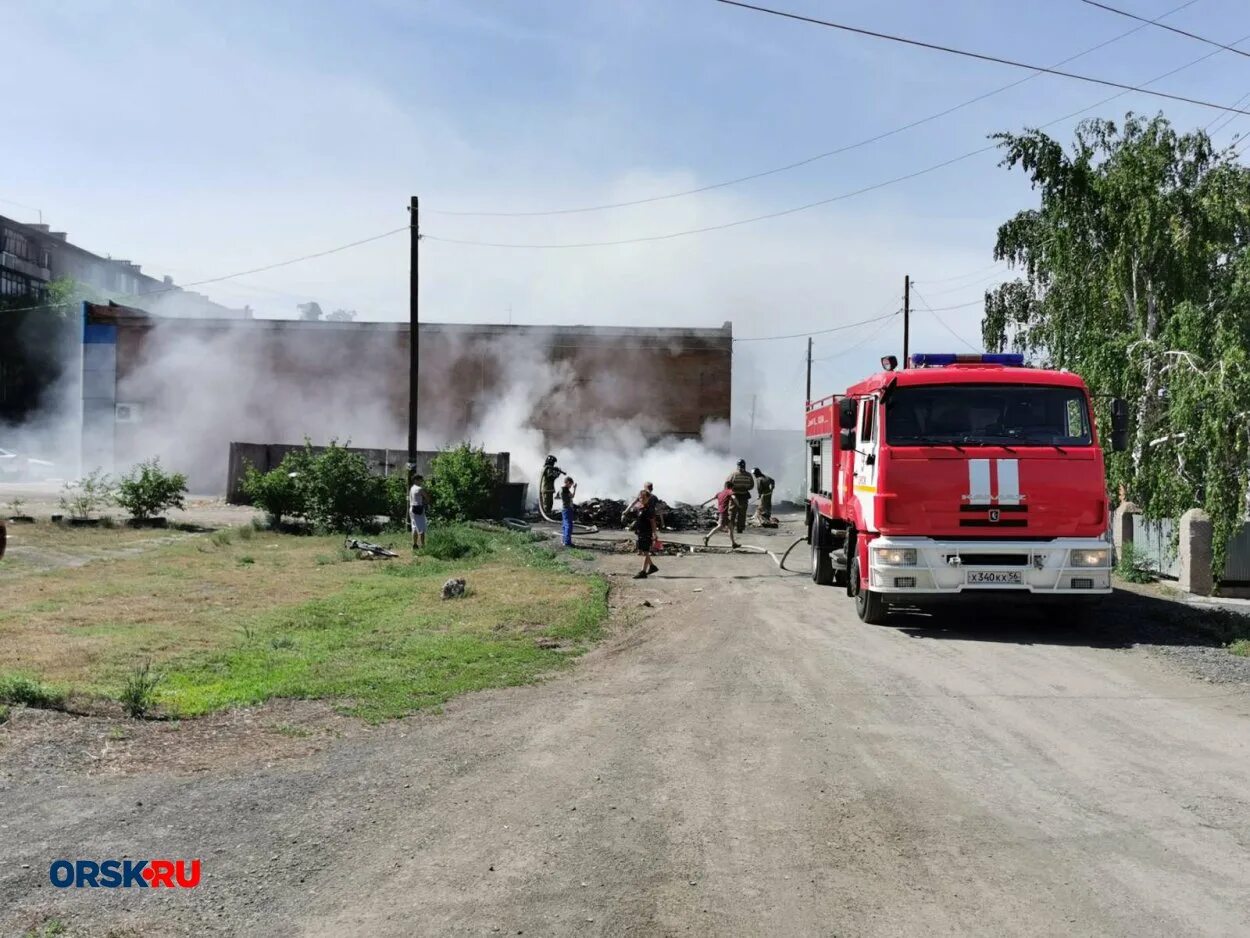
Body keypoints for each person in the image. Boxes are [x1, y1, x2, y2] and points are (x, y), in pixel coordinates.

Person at [703, 482, 740, 549]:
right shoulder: (729, 491)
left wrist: (703, 504)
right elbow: (734, 497)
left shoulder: (719, 493)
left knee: (731, 527)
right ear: (731, 487)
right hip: (724, 512)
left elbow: (711, 499)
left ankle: (733, 543)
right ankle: (707, 537)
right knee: (720, 526)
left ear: (725, 486)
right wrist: (738, 505)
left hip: (721, 511)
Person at [633, 488, 659, 579]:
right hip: (640, 532)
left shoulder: (648, 510)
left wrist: (654, 533)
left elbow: (653, 522)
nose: (641, 499)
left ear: (648, 498)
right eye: (640, 498)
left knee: (645, 551)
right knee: (644, 551)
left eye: (643, 498)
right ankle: (652, 567)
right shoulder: (640, 508)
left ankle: (643, 571)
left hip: (646, 532)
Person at [725, 458, 755, 535]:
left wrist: (728, 493)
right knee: (742, 513)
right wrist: (744, 487)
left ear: (737, 466)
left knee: (732, 513)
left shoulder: (733, 474)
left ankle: (730, 528)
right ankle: (740, 529)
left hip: (734, 496)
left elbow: (727, 485)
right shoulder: (749, 475)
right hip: (744, 496)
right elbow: (751, 486)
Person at [409, 473, 429, 550]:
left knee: (414, 527)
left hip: (412, 509)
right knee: (421, 528)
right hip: (418, 509)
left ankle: (415, 544)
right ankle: (423, 545)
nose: (421, 481)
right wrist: (424, 502)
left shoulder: (412, 488)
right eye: (420, 480)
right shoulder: (419, 489)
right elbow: (427, 498)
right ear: (416, 480)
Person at [559, 475, 577, 547]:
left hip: (564, 509)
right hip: (567, 509)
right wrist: (574, 489)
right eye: (571, 485)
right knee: (568, 525)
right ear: (568, 482)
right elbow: (572, 496)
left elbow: (571, 496)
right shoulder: (565, 489)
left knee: (565, 525)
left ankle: (564, 541)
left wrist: (574, 488)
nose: (570, 486)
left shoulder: (563, 489)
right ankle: (567, 542)